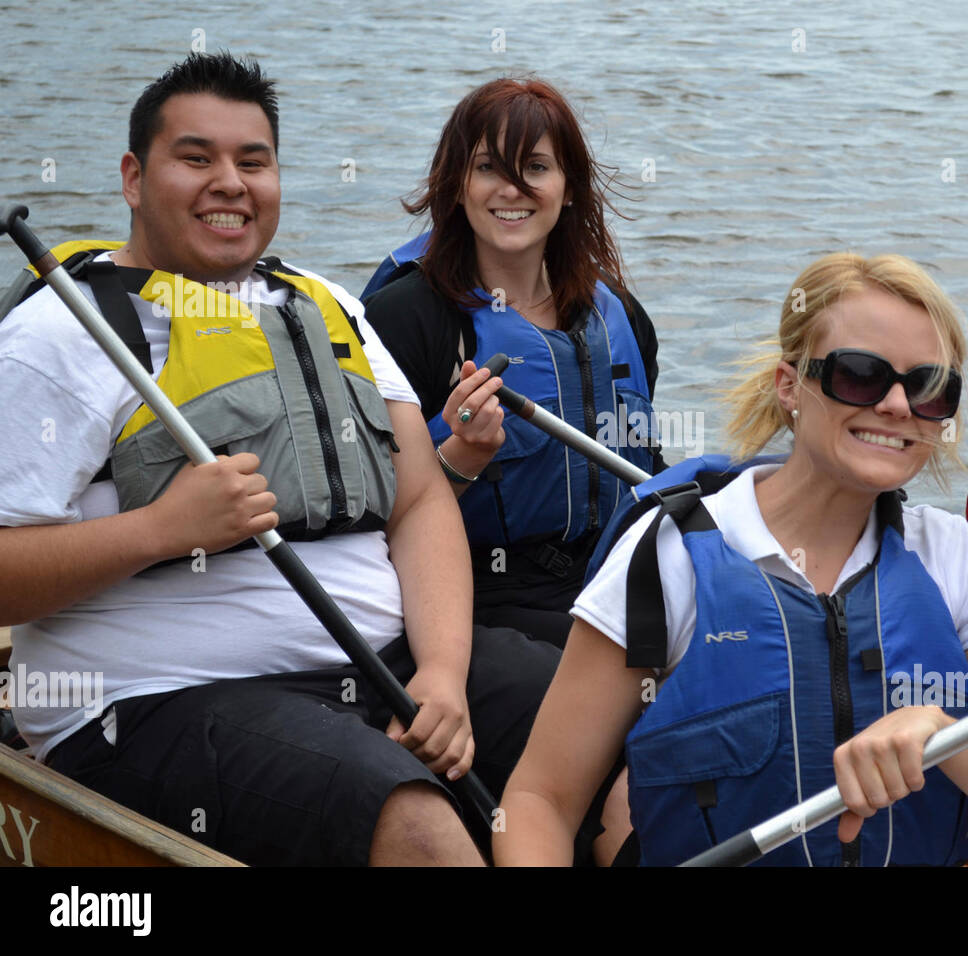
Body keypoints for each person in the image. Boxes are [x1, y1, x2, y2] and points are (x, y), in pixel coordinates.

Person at [0, 52, 560, 866]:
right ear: (133, 177)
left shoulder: (328, 308)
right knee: (411, 818)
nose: (230, 182)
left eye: (251, 162)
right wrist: (159, 530)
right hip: (157, 702)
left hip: (384, 668)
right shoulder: (62, 336)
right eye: (196, 158)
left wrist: (441, 673)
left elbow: (422, 502)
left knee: (611, 719)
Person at [493, 252, 968, 866]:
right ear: (791, 387)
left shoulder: (957, 559)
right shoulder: (666, 556)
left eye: (928, 387)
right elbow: (541, 799)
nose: (895, 405)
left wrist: (948, 738)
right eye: (861, 374)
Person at [362, 77, 664, 650]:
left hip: (611, 578)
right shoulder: (404, 318)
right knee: (636, 679)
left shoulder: (619, 313)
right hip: (475, 596)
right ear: (455, 184)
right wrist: (459, 456)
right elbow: (368, 519)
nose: (513, 189)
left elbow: (646, 463)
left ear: (568, 187)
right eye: (487, 168)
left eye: (536, 167)